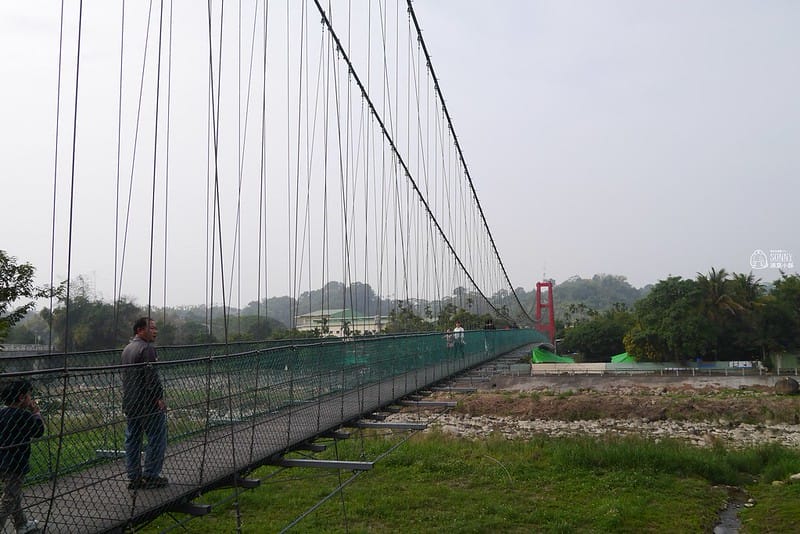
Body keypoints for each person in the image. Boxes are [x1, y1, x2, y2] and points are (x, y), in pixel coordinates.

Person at [122, 317, 168, 490]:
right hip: (148, 403)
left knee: (133, 439)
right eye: (152, 328)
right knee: (157, 438)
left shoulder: (127, 348)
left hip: (131, 402)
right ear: (140, 330)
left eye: (156, 328)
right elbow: (152, 377)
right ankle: (151, 475)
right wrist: (159, 398)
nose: (155, 331)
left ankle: (134, 477)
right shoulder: (147, 348)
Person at [0, 380, 44, 534]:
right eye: (29, 396)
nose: (31, 400)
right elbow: (38, 431)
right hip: (16, 463)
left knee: (13, 494)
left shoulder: (2, 413)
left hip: (2, 459)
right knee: (9, 498)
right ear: (21, 398)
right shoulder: (23, 416)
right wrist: (36, 414)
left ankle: (22, 524)